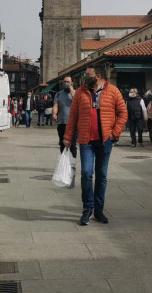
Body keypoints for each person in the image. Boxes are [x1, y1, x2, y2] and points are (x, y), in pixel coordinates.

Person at [64, 66, 127, 226]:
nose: (86, 77)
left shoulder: (113, 91)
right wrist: (68, 136)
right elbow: (73, 116)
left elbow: (123, 113)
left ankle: (98, 209)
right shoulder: (80, 92)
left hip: (105, 140)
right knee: (86, 173)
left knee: (101, 175)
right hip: (86, 140)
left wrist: (115, 133)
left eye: (88, 75)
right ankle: (87, 208)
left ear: (98, 76)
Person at [53, 76, 77, 157]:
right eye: (64, 82)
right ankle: (64, 163)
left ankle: (72, 165)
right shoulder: (58, 94)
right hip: (62, 122)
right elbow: (56, 105)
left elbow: (78, 104)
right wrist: (54, 113)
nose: (66, 83)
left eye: (68, 82)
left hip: (73, 124)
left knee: (73, 145)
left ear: (71, 83)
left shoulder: (76, 93)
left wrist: (72, 93)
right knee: (62, 144)